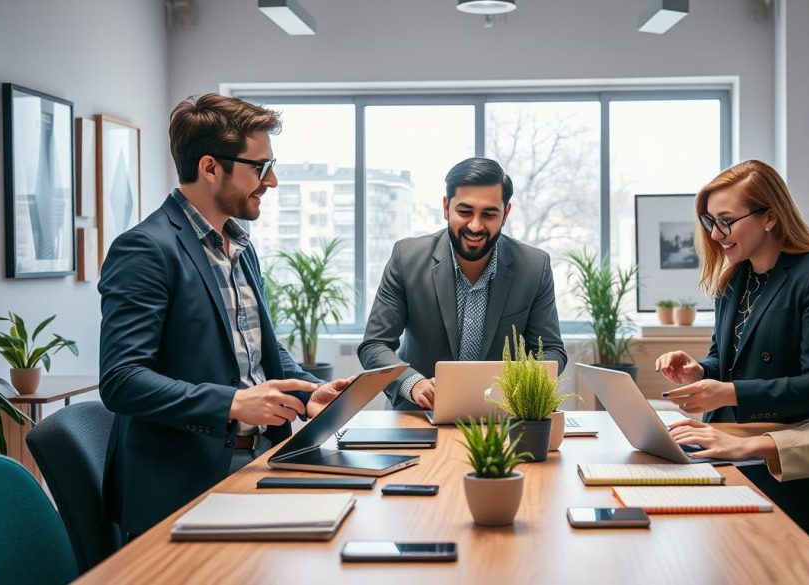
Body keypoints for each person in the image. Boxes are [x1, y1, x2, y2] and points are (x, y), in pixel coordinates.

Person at [98, 93, 352, 537]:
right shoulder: (146, 248)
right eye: (260, 167)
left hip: (259, 460)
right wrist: (233, 403)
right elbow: (121, 380)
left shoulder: (240, 247)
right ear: (210, 167)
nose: (271, 182)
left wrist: (307, 392)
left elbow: (259, 353)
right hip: (183, 481)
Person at [654, 159, 809, 538]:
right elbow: (726, 362)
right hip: (721, 449)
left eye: (726, 220)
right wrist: (700, 370)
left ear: (770, 217)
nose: (716, 235)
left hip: (776, 468)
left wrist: (727, 391)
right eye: (711, 222)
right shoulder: (734, 280)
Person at [358, 157, 567, 411]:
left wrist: (520, 390)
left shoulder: (534, 266)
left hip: (504, 418)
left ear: (506, 214)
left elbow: (551, 351)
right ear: (446, 207)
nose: (475, 226)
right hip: (419, 415)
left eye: (489, 214)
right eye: (465, 212)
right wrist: (412, 384)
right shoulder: (407, 258)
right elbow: (374, 345)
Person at [667, 378, 809, 482]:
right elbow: (728, 357)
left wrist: (730, 393)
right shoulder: (731, 282)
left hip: (775, 475)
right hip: (722, 443)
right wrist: (702, 369)